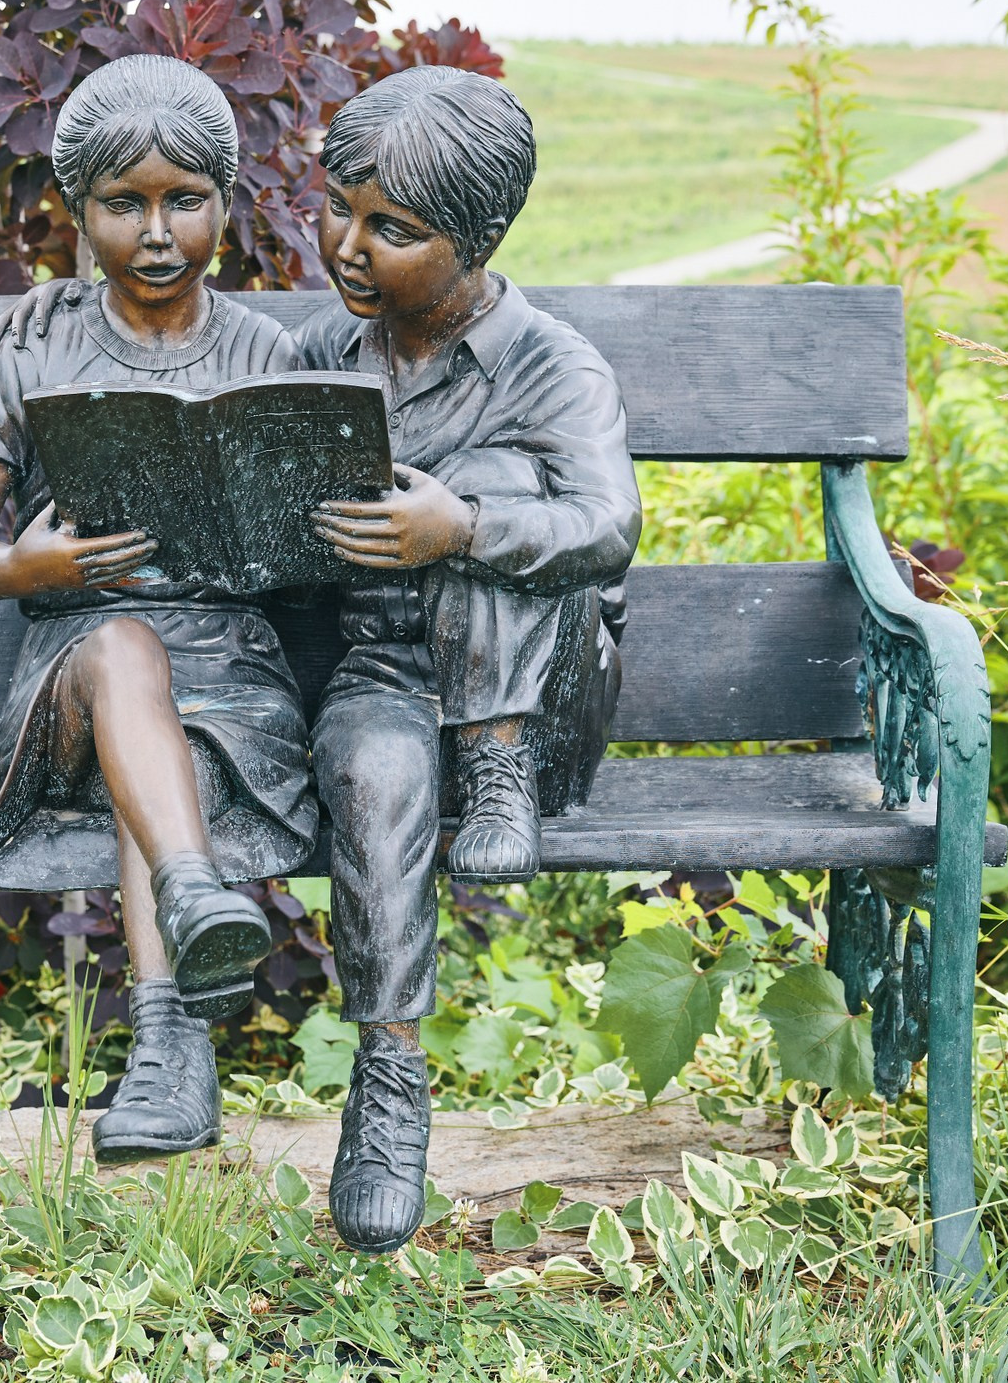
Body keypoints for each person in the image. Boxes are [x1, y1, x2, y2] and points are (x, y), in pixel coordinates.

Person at [0, 54, 316, 1164]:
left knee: (178, 745)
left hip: (230, 686)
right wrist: (26, 567)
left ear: (224, 205)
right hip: (74, 671)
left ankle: (166, 1055)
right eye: (122, 205)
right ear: (76, 211)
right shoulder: (32, 348)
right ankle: (188, 937)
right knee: (125, 646)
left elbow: (314, 543)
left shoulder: (263, 353)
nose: (155, 233)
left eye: (183, 202)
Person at [293, 64, 638, 1251]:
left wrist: (465, 530)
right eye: (335, 205)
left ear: (477, 237)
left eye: (389, 229)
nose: (346, 244)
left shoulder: (551, 364)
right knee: (380, 773)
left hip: (539, 701)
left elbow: (606, 526)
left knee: (480, 485)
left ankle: (495, 766)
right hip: (382, 676)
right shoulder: (319, 354)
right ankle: (387, 1088)